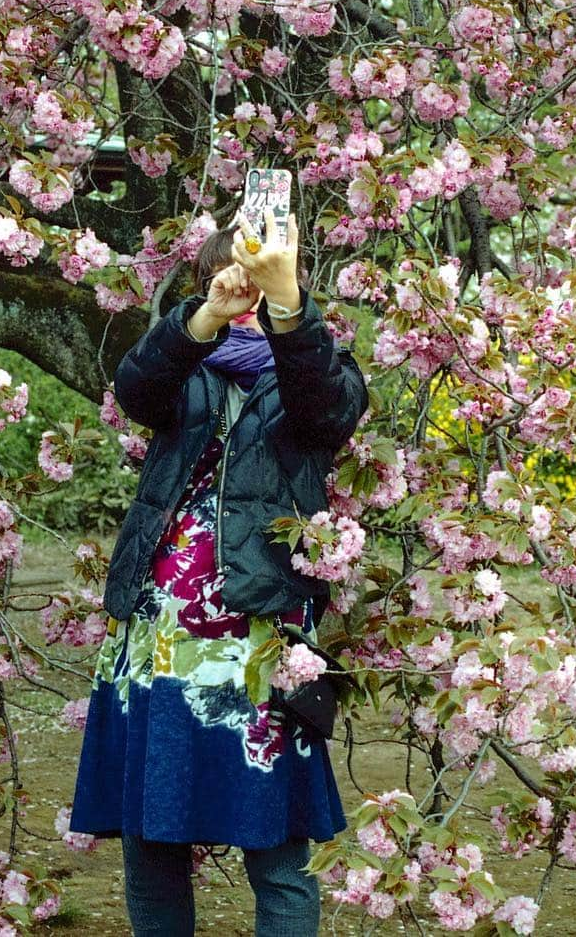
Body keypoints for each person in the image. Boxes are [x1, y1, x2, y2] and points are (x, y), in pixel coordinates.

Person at [69, 208, 368, 936]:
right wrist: (204, 315)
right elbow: (134, 390)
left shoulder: (321, 367)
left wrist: (289, 307)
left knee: (278, 854)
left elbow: (327, 413)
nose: (247, 300)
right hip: (159, 642)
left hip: (262, 641)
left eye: (261, 286)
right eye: (229, 281)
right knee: (153, 844)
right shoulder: (183, 366)